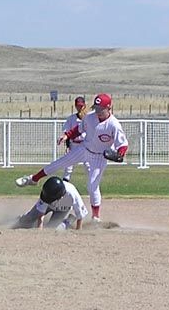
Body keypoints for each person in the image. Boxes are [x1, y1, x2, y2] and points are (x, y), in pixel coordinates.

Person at [15, 93, 128, 222]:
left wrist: (120, 154)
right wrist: (67, 136)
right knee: (59, 163)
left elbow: (123, 144)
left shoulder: (114, 125)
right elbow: (78, 130)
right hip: (84, 149)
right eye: (95, 108)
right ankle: (33, 179)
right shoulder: (90, 118)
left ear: (109, 108)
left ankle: (95, 217)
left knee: (92, 186)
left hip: (99, 157)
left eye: (100, 109)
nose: (97, 111)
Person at [12, 176, 88, 230]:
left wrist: (78, 230)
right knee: (27, 219)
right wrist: (39, 229)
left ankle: (69, 220)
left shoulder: (72, 194)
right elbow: (41, 213)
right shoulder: (49, 191)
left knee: (52, 228)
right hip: (49, 205)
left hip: (62, 209)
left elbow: (80, 215)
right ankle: (16, 220)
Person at [61, 96, 89, 183]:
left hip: (85, 144)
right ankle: (64, 186)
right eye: (78, 105)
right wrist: (67, 145)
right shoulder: (71, 118)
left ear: (84, 105)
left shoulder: (89, 118)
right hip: (74, 144)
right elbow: (67, 132)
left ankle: (93, 186)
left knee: (89, 167)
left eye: (81, 105)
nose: (79, 107)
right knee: (68, 166)